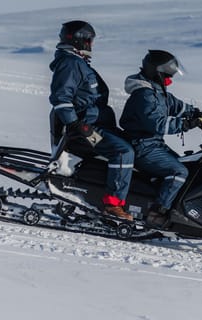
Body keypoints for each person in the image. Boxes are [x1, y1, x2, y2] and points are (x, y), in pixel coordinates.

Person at [49, 20, 134, 221]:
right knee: (123, 152)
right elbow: (61, 98)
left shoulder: (77, 63)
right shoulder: (71, 63)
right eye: (90, 40)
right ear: (81, 40)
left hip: (92, 125)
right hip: (84, 130)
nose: (91, 45)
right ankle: (113, 206)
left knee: (131, 145)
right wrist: (76, 125)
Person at [119, 50, 202, 227]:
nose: (170, 79)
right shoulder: (144, 95)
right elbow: (157, 124)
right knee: (179, 172)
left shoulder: (156, 91)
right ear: (157, 72)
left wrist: (195, 112)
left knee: (186, 165)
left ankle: (166, 206)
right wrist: (186, 125)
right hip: (143, 146)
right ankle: (157, 214)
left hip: (153, 144)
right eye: (168, 75)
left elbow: (174, 104)